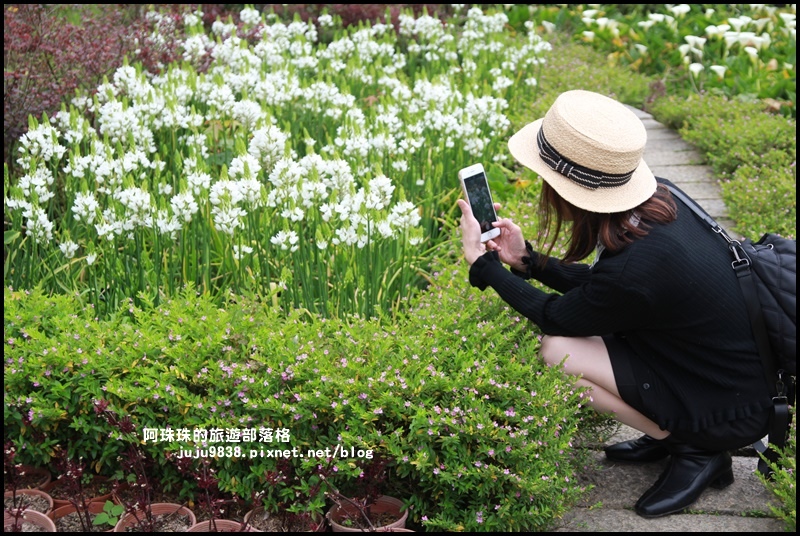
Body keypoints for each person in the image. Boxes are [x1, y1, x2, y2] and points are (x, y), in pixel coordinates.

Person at [457, 89, 772, 518]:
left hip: (723, 407)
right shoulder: (661, 199)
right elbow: (607, 291)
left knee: (557, 351)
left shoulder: (636, 267)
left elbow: (557, 317)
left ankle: (695, 447)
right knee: (577, 340)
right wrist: (528, 260)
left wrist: (485, 265)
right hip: (723, 375)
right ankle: (678, 433)